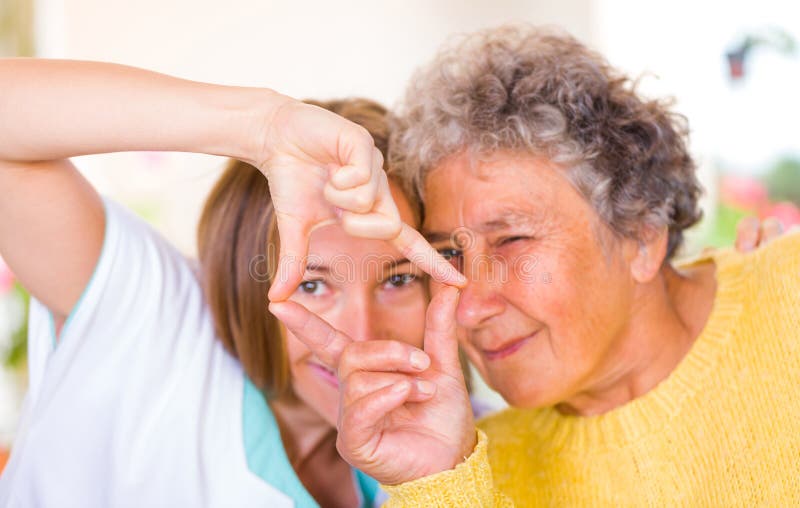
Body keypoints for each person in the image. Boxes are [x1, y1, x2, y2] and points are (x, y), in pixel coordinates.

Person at [275, 25, 800, 505]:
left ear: (641, 233)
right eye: (449, 255)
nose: (471, 308)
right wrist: (438, 487)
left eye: (511, 240)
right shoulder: (458, 470)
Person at [0, 59, 461, 508]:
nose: (363, 335)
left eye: (398, 279)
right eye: (312, 285)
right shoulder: (150, 316)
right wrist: (263, 126)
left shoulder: (461, 443)